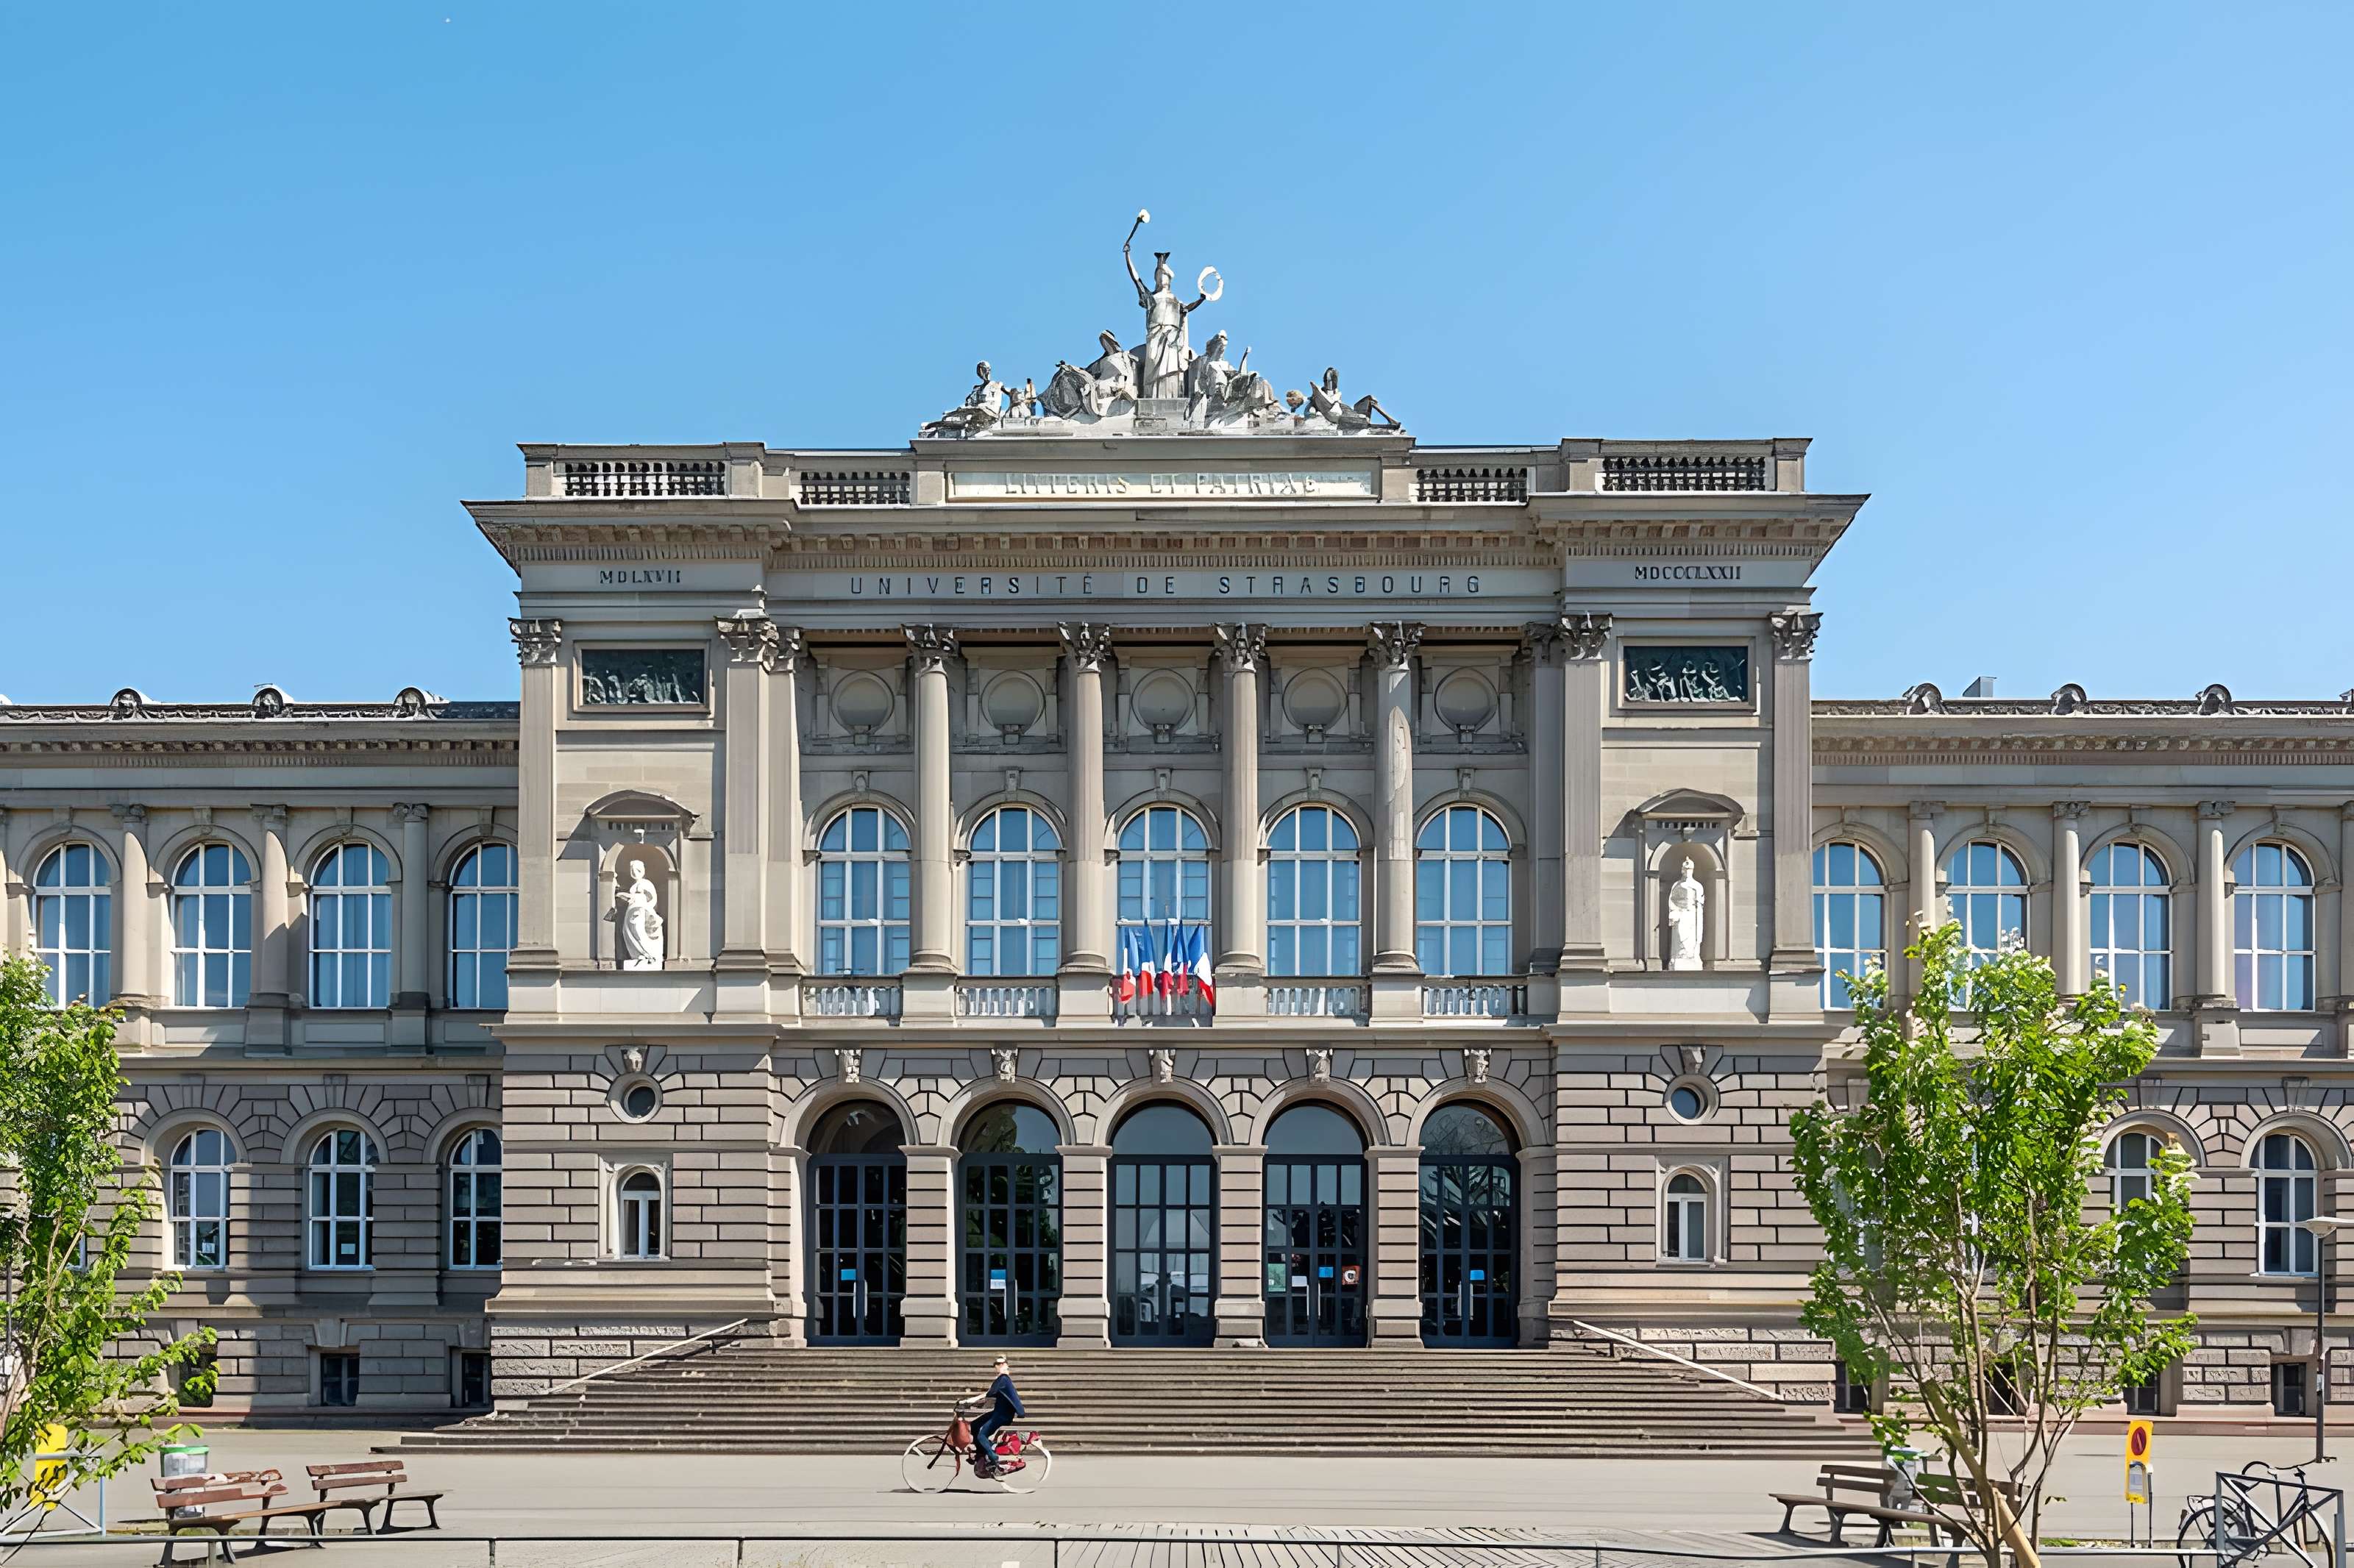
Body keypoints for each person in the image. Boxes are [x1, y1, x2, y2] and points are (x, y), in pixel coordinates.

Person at [969, 1355, 1025, 1476]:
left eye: (1001, 1364)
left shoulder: (1004, 1379)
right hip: (998, 1412)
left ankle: (994, 1459)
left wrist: (968, 1402)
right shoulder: (1000, 1380)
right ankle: (984, 1450)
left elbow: (988, 1395)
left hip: (1003, 1415)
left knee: (981, 1435)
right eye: (997, 1364)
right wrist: (971, 1405)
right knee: (974, 1425)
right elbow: (990, 1399)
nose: (999, 1366)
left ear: (1007, 1365)